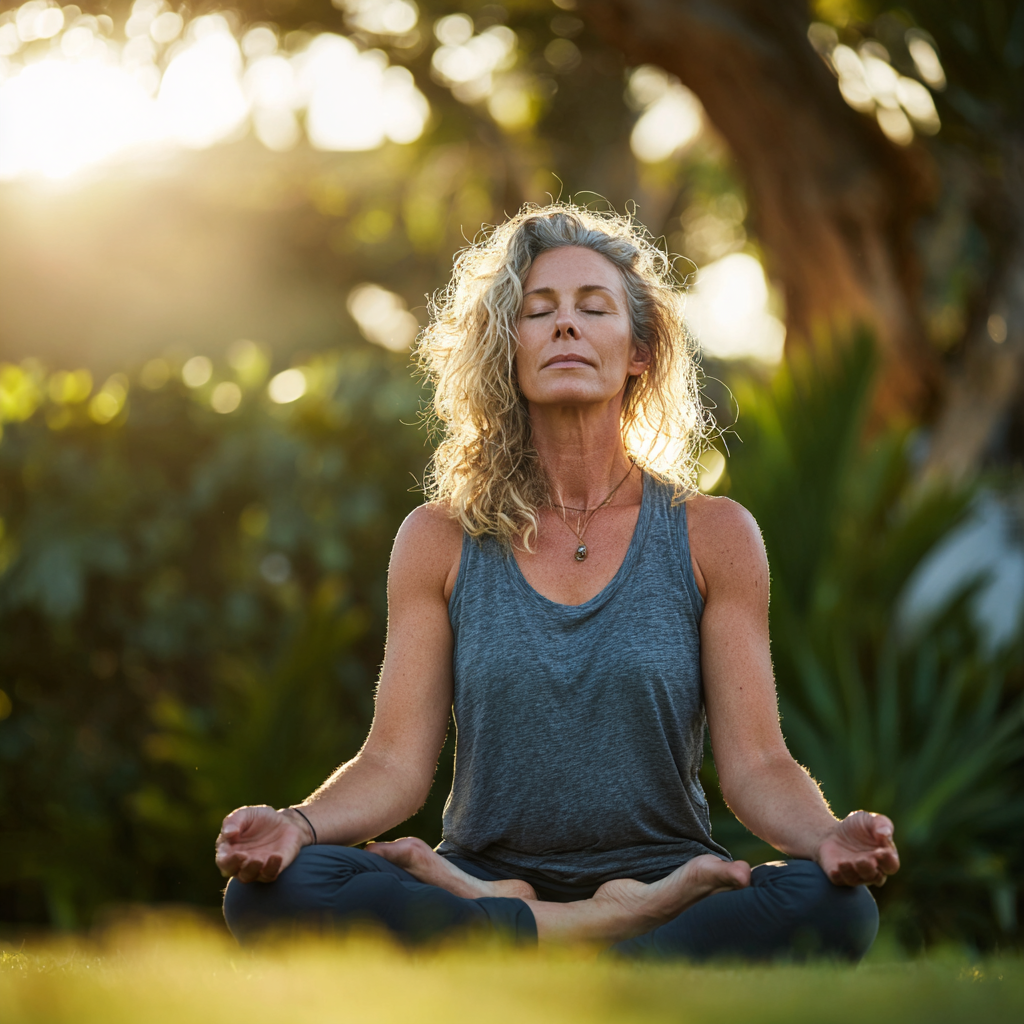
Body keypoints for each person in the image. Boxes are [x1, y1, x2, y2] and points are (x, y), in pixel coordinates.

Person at [216, 205, 898, 959]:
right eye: (538, 312)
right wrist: (298, 825)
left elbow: (757, 765)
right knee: (272, 892)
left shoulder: (713, 534)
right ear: (507, 351)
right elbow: (393, 764)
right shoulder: (441, 539)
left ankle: (504, 933)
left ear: (638, 350)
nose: (565, 326)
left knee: (836, 908)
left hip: (661, 874)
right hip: (485, 871)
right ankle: (604, 933)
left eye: (592, 308)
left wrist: (830, 839)